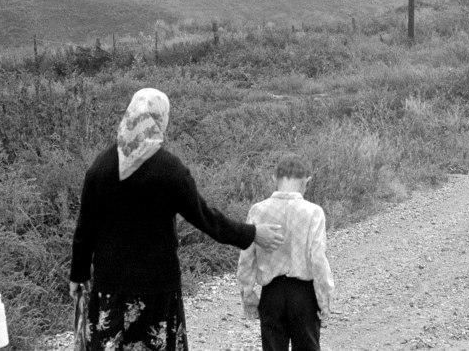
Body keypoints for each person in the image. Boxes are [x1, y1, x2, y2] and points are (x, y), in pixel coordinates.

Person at [69, 88, 283, 350]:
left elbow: (85, 229)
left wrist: (78, 275)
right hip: (157, 288)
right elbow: (206, 218)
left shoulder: (100, 168)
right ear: (161, 119)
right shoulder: (170, 170)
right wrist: (251, 234)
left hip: (110, 287)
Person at [238, 154, 334, 351]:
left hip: (271, 294)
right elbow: (318, 260)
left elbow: (246, 258)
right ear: (306, 181)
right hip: (304, 295)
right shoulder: (313, 212)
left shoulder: (258, 210)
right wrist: (324, 299)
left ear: (274, 178)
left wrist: (248, 295)